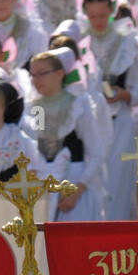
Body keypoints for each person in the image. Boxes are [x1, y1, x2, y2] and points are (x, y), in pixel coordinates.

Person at [80, 0, 138, 220]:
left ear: (111, 12)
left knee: (118, 184)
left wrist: (124, 94)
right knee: (94, 184)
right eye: (92, 16)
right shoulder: (80, 42)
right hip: (91, 124)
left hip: (120, 121)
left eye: (102, 16)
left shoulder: (126, 41)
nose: (97, 22)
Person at [22, 47, 106, 222]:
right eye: (33, 75)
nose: (36, 80)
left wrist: (77, 191)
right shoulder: (34, 107)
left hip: (74, 184)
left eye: (42, 73)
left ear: (59, 74)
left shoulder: (78, 104)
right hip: (45, 187)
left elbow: (97, 152)